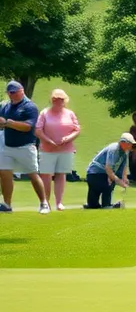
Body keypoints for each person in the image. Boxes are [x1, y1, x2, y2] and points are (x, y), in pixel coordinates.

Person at [0, 81, 48, 213]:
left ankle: (44, 203)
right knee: (4, 173)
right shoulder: (5, 107)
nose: (11, 95)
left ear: (21, 91)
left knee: (33, 174)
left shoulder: (29, 107)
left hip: (25, 146)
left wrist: (8, 123)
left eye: (14, 92)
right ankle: (7, 204)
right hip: (7, 146)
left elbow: (28, 127)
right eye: (10, 92)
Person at [35, 89, 81, 212]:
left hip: (65, 149)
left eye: (60, 99)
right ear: (52, 100)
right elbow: (38, 130)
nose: (58, 101)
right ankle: (45, 202)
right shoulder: (44, 113)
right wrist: (48, 140)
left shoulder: (70, 113)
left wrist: (67, 138)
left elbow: (77, 129)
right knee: (46, 175)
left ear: (64, 100)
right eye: (55, 99)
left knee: (61, 174)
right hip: (47, 149)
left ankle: (59, 202)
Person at [85, 133, 134, 209]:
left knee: (110, 180)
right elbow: (108, 168)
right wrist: (118, 181)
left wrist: (124, 179)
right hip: (95, 174)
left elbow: (124, 167)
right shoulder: (114, 149)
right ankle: (105, 205)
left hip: (99, 174)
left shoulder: (124, 153)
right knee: (107, 183)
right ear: (123, 143)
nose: (131, 146)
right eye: (129, 144)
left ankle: (103, 204)